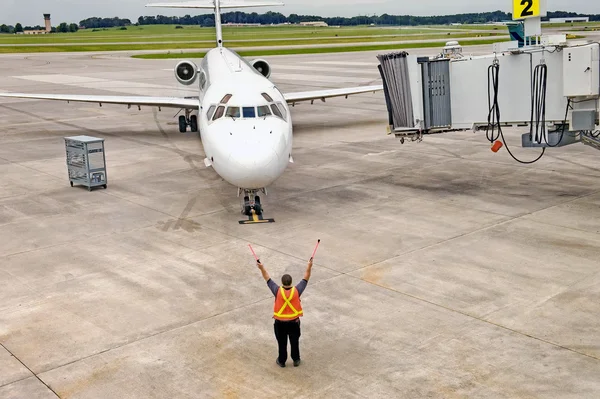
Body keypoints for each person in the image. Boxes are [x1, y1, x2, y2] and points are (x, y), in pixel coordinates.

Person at [257, 258, 313, 368]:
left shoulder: (277, 291)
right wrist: (309, 266)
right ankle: (296, 359)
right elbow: (306, 277)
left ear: (282, 283)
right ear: (291, 282)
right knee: (294, 342)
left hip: (280, 323)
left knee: (282, 343)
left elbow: (267, 278)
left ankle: (282, 361)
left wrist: (261, 267)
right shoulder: (297, 290)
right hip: (294, 323)